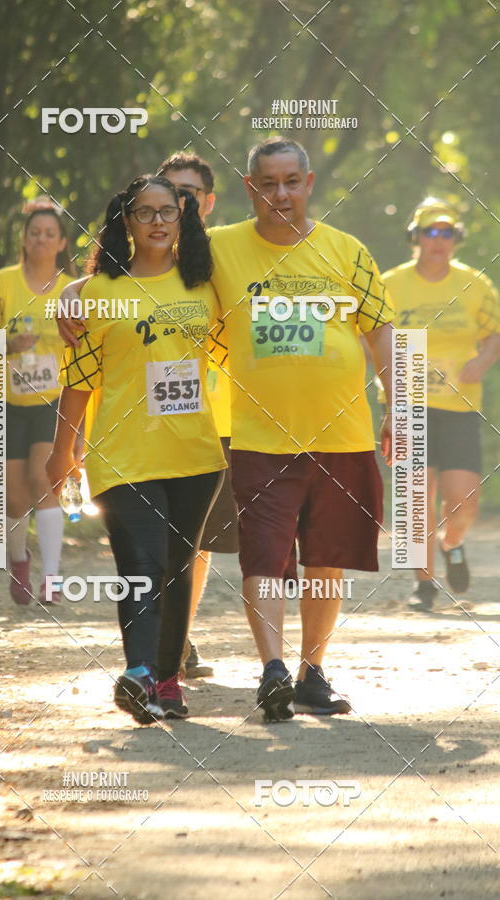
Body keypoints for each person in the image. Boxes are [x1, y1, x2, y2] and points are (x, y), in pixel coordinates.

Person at [208, 137, 395, 720]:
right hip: (260, 437)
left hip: (342, 436)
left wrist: (398, 407)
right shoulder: (219, 248)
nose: (281, 193)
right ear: (250, 189)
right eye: (268, 183)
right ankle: (272, 670)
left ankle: (312, 670)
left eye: (292, 181)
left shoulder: (346, 251)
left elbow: (381, 332)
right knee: (262, 558)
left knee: (325, 557)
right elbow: (146, 268)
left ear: (309, 184)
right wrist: (75, 289)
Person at [46, 174, 226, 724]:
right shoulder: (100, 293)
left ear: (183, 218)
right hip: (122, 454)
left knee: (175, 567)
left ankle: (167, 681)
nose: (156, 223)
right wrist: (62, 451)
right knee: (141, 562)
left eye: (166, 212)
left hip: (196, 454)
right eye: (143, 213)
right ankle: (140, 672)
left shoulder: (207, 287)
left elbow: (237, 356)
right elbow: (79, 378)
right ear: (125, 223)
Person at [382, 198, 500, 610]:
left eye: (447, 232)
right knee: (416, 495)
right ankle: (424, 585)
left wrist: (483, 360)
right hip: (409, 398)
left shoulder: (474, 284)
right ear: (416, 236)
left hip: (460, 406)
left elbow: (494, 334)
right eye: (431, 231)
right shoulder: (392, 283)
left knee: (463, 501)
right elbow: (376, 338)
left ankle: (453, 544)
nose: (439, 240)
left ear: (456, 239)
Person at [0, 199, 74, 606]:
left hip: (52, 399)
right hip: (6, 401)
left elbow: (88, 344)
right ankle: (20, 561)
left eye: (50, 234)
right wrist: (6, 345)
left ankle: (51, 578)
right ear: (24, 240)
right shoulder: (1, 283)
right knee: (14, 498)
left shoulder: (72, 289)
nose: (42, 239)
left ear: (62, 242)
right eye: (35, 233)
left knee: (43, 480)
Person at [158, 152, 239, 680]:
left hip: (220, 420)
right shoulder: (138, 251)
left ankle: (179, 638)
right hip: (149, 420)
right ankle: (160, 648)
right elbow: (93, 287)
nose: (179, 204)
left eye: (189, 195)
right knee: (153, 540)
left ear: (207, 203)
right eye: (170, 193)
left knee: (199, 540)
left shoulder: (228, 255)